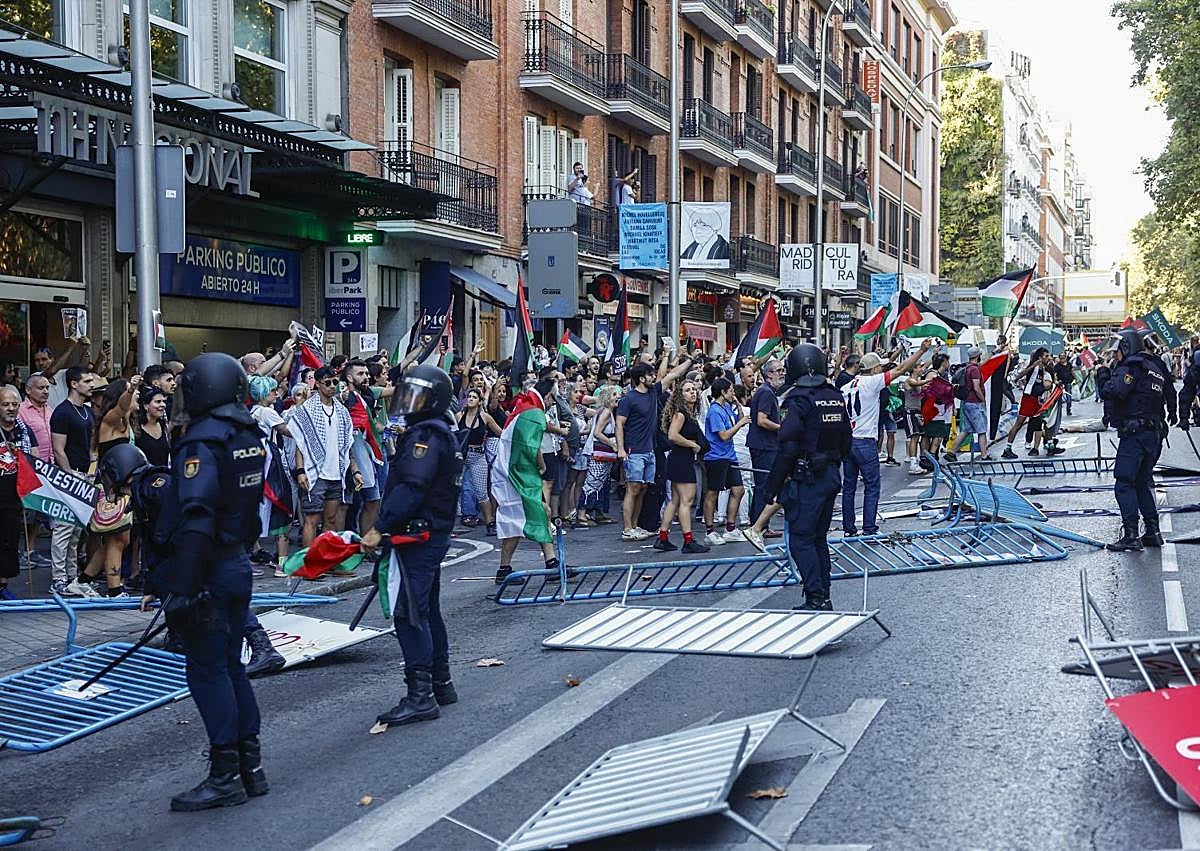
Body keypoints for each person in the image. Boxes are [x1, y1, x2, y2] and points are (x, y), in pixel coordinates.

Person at [149, 353, 270, 812]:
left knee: (207, 670)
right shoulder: (247, 435)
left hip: (210, 566)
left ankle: (225, 775)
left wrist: (183, 585)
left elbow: (196, 515)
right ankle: (249, 768)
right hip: (236, 561)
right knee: (231, 665)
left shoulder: (202, 441)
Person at [360, 364, 463, 727]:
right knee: (427, 609)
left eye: (416, 394)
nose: (407, 400)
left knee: (410, 613)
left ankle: (421, 695)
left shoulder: (427, 436)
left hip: (418, 536)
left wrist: (379, 527)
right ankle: (441, 683)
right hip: (425, 534)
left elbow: (411, 487)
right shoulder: (432, 432)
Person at [762, 344, 851, 611]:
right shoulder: (834, 396)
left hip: (807, 478)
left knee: (801, 539)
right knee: (818, 538)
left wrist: (772, 487)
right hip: (830, 475)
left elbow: (788, 447)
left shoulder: (797, 400)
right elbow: (847, 440)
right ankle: (824, 593)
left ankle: (816, 597)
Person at [842, 341, 932, 535]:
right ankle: (869, 528)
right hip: (865, 440)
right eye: (880, 367)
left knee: (848, 486)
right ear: (875, 369)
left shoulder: (847, 386)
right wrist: (922, 351)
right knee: (872, 485)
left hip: (848, 439)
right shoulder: (872, 382)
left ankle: (849, 528)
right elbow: (900, 369)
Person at [1102, 330, 1173, 551]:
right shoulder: (1154, 368)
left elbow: (1113, 391)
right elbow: (1169, 393)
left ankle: (1131, 534)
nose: (1115, 356)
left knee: (1124, 483)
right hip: (1153, 433)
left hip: (1135, 433)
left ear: (1126, 347)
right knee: (1143, 482)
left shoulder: (1131, 367)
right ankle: (1153, 531)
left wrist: (1104, 372)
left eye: (1118, 351)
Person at [493, 376, 564, 585]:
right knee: (518, 518)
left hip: (514, 470)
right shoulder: (534, 413)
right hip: (514, 473)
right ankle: (505, 569)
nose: (553, 403)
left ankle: (551, 563)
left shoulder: (527, 408)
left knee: (541, 511)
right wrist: (541, 465)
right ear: (549, 396)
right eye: (553, 399)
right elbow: (531, 446)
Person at [290, 366, 364, 548]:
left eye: (335, 382)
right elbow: (301, 443)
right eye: (328, 383)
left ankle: (326, 561)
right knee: (312, 520)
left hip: (336, 473)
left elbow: (347, 446)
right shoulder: (307, 409)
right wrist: (300, 471)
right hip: (314, 473)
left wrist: (355, 471)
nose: (332, 386)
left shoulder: (341, 411)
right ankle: (309, 563)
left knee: (330, 519)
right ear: (318, 384)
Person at [49, 366, 97, 597]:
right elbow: (58, 450)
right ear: (73, 384)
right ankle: (58, 578)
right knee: (63, 528)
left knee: (77, 530)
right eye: (87, 381)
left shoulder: (87, 411)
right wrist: (69, 477)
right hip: (68, 475)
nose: (91, 384)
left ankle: (70, 576)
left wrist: (90, 470)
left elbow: (89, 445)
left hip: (85, 474)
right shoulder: (62, 412)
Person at [655, 379, 709, 553]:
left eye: (694, 389)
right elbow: (672, 435)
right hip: (681, 460)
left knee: (676, 500)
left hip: (679, 459)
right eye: (687, 390)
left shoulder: (688, 413)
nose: (692, 392)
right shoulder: (681, 414)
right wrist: (692, 445)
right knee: (686, 501)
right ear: (680, 395)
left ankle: (662, 537)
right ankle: (688, 541)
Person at [702, 377, 750, 546]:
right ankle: (710, 530)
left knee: (739, 490)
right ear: (722, 392)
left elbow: (741, 420)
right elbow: (724, 435)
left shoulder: (727, 407)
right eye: (730, 391)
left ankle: (730, 528)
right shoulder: (714, 411)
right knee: (713, 492)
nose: (732, 393)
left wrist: (737, 404)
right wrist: (740, 424)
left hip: (729, 456)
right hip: (716, 456)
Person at [0, 387, 33, 599]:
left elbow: (34, 459)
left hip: (14, 496)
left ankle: (3, 585)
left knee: (9, 540)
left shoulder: (23, 429)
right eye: (5, 404)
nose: (11, 409)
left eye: (14, 404)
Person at [747, 358, 785, 527]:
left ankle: (762, 525)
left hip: (766, 445)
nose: (782, 374)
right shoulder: (766, 392)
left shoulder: (767, 392)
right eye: (779, 371)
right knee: (763, 485)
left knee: (766, 485)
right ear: (769, 374)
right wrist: (782, 428)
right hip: (764, 445)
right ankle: (758, 525)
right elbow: (761, 420)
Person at [1000, 347, 1053, 459]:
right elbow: (1019, 376)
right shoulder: (1035, 367)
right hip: (1029, 399)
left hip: (1036, 399)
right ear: (1040, 357)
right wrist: (1032, 366)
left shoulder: (1043, 368)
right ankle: (1007, 449)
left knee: (1041, 423)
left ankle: (1049, 445)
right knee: (1019, 424)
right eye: (1046, 356)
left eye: (1049, 356)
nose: (1049, 358)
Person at [944, 346, 988, 461]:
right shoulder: (974, 369)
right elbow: (976, 387)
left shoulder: (967, 367)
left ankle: (951, 452)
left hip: (967, 402)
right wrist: (983, 400)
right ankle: (984, 455)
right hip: (975, 403)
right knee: (982, 430)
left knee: (965, 430)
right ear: (978, 356)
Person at [18, 373, 52, 461]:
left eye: (47, 388)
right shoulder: (20, 411)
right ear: (28, 390)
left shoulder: (50, 410)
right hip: (32, 463)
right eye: (41, 388)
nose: (46, 391)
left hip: (52, 463)